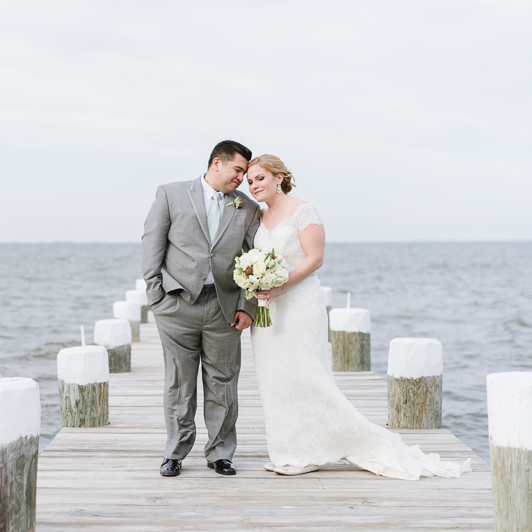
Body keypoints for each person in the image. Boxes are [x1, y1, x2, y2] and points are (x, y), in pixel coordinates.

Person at [247, 154, 471, 479]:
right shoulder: (259, 216)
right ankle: (291, 451)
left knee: (308, 376)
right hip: (267, 311)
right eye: (250, 181)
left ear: (279, 177)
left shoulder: (303, 210)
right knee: (277, 380)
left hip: (299, 305)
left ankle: (348, 442)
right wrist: (258, 284)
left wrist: (280, 286)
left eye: (260, 178)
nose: (254, 186)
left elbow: (315, 259)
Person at [141, 140, 261, 477]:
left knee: (223, 381)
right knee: (179, 382)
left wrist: (247, 305)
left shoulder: (247, 208)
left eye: (245, 173)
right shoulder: (171, 194)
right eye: (238, 170)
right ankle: (175, 452)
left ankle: (221, 452)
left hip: (225, 308)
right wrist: (157, 299)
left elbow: (254, 260)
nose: (242, 178)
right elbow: (152, 245)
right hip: (177, 304)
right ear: (216, 163)